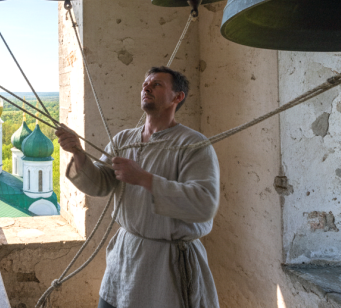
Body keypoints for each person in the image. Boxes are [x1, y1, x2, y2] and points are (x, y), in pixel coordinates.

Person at [55, 66, 220, 308]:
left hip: (167, 264)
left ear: (177, 97)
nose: (146, 87)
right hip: (127, 253)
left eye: (157, 84)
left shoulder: (193, 144)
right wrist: (78, 153)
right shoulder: (124, 140)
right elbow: (100, 185)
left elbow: (204, 204)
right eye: (146, 84)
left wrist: (144, 178)